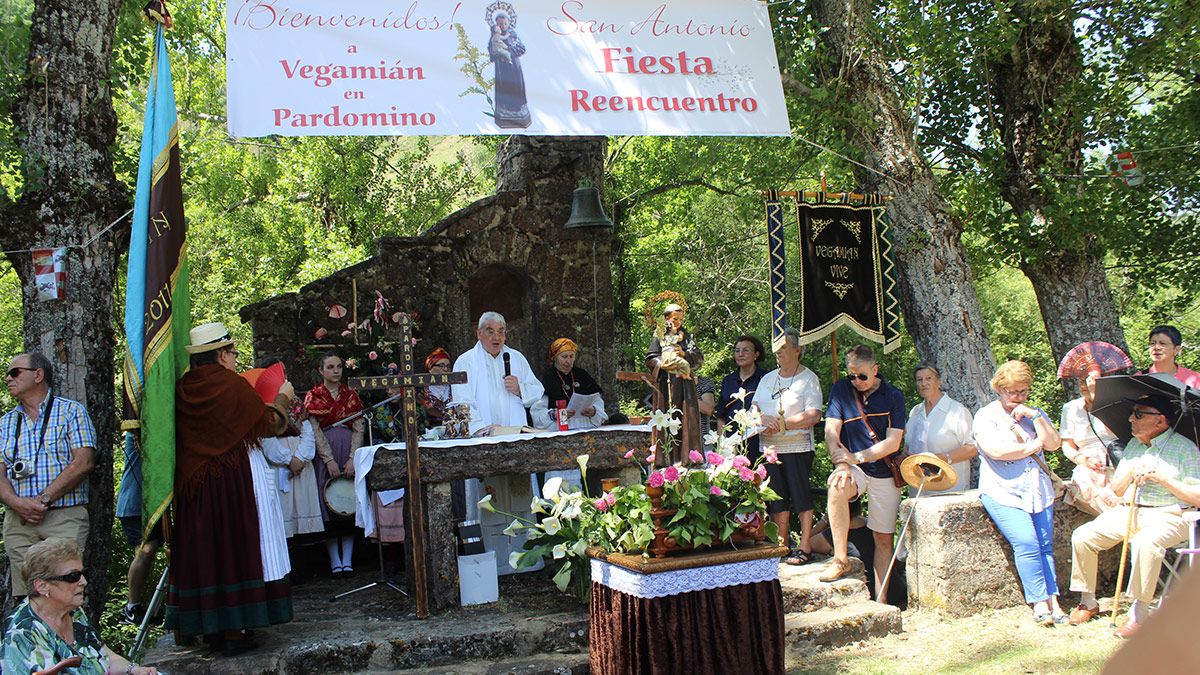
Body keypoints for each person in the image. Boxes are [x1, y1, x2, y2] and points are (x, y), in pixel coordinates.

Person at [167, 322, 293, 654]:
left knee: (208, 551)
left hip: (196, 487)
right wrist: (283, 397)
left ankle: (212, 627)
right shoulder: (230, 386)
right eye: (233, 353)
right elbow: (270, 425)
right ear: (221, 355)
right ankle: (236, 629)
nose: (236, 359)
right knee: (238, 547)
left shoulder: (182, 389)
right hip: (234, 481)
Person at [1068, 395, 1200, 638]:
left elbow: (1197, 497)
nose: (1131, 418)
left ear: (1160, 421)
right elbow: (1116, 492)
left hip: (1170, 515)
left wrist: (1163, 479)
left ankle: (1139, 613)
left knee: (1145, 542)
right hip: (1129, 510)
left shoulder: (1185, 449)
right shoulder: (1134, 445)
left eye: (1139, 414)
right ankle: (1088, 600)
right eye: (1133, 413)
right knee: (1083, 536)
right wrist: (1129, 473)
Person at [972, 360, 1066, 626]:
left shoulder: (1033, 413)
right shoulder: (986, 415)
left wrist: (1035, 417)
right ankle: (1038, 601)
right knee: (1026, 542)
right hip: (1003, 490)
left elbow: (1054, 444)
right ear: (1000, 389)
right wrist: (1036, 444)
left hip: (1037, 489)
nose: (1018, 397)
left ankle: (1054, 600)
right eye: (1012, 392)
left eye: (1023, 391)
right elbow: (998, 452)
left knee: (1045, 546)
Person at [451, 312, 545, 573]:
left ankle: (524, 561)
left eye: (501, 331)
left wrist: (520, 389)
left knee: (520, 498)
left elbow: (537, 390)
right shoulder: (465, 361)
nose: (497, 336)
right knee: (488, 502)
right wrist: (482, 429)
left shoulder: (515, 358)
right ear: (479, 334)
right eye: (490, 331)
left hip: (514, 437)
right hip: (484, 440)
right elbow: (462, 400)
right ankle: (490, 564)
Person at [0, 351, 95, 600]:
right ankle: (32, 640)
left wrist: (44, 499)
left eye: (14, 372)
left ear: (38, 375)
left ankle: (68, 640)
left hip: (63, 517)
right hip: (19, 521)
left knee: (66, 594)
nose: (8, 378)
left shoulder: (71, 412)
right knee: (28, 597)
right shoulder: (5, 423)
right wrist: (17, 503)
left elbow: (83, 462)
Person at [820, 345, 906, 600]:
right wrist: (843, 464)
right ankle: (840, 558)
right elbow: (831, 432)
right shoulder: (841, 389)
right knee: (836, 484)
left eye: (862, 376)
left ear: (875, 369)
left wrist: (857, 456)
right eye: (851, 375)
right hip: (854, 468)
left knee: (883, 540)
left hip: (884, 471)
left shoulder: (893, 395)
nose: (856, 381)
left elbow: (893, 443)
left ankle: (882, 599)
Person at [2, 538, 158, 674]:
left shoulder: (72, 611)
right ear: (42, 586)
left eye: (83, 573)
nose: (83, 582)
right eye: (73, 576)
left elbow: (103, 655)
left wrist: (133, 669)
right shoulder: (22, 634)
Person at [751, 328, 823, 565]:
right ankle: (781, 544)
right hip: (769, 448)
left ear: (797, 350)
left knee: (801, 496)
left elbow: (813, 415)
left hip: (797, 446)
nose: (778, 353)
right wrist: (762, 420)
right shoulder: (767, 378)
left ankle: (804, 546)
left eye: (783, 348)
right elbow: (754, 409)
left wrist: (782, 424)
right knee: (777, 497)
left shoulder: (808, 379)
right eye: (776, 348)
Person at [304, 351, 365, 578]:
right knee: (327, 500)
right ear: (321, 371)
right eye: (330, 367)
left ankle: (347, 560)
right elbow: (314, 429)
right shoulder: (313, 397)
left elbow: (359, 427)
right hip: (325, 454)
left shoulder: (351, 395)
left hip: (347, 449)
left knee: (348, 499)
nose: (335, 371)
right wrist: (327, 458)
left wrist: (352, 457)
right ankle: (334, 560)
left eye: (339, 366)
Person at [115, 434, 165, 626]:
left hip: (153, 503)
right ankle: (131, 606)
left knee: (151, 551)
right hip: (135, 504)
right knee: (146, 550)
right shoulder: (137, 432)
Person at [905, 363, 977, 493]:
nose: (923, 383)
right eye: (919, 379)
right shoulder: (915, 412)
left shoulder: (957, 411)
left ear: (939, 382)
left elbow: (973, 448)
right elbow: (908, 448)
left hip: (949, 490)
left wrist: (940, 459)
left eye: (928, 378)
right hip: (919, 489)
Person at [646, 303, 704, 457]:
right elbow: (651, 357)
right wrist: (663, 364)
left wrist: (684, 353)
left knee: (688, 417)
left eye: (681, 319)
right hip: (666, 383)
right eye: (674, 319)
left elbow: (698, 357)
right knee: (667, 417)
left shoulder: (686, 336)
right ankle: (667, 458)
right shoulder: (659, 333)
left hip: (685, 384)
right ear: (666, 318)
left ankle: (690, 457)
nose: (678, 322)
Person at [1060, 373, 1119, 515]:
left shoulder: (1116, 403)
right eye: (1081, 380)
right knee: (1082, 482)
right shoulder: (1071, 408)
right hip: (1088, 464)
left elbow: (1119, 431)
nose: (1084, 384)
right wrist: (1081, 460)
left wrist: (1096, 396)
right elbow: (1067, 445)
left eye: (1091, 379)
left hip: (1116, 461)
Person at [532, 338, 607, 430]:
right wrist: (556, 414)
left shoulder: (582, 375)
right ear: (555, 357)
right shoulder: (547, 378)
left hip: (586, 427)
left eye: (571, 356)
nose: (568, 361)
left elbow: (598, 401)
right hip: (560, 430)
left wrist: (594, 412)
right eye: (564, 357)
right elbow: (537, 412)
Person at [717, 335, 768, 462]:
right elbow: (721, 416)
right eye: (737, 351)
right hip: (731, 441)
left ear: (756, 354)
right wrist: (721, 445)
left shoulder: (766, 379)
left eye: (746, 350)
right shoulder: (728, 380)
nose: (740, 354)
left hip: (759, 442)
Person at [488, 10, 531, 129]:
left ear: (508, 23)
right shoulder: (494, 36)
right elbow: (491, 48)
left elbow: (521, 48)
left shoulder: (513, 34)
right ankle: (505, 107)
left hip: (513, 67)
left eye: (505, 24)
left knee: (515, 86)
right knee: (504, 87)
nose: (503, 26)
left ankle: (517, 107)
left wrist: (509, 52)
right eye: (500, 24)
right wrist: (494, 52)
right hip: (501, 68)